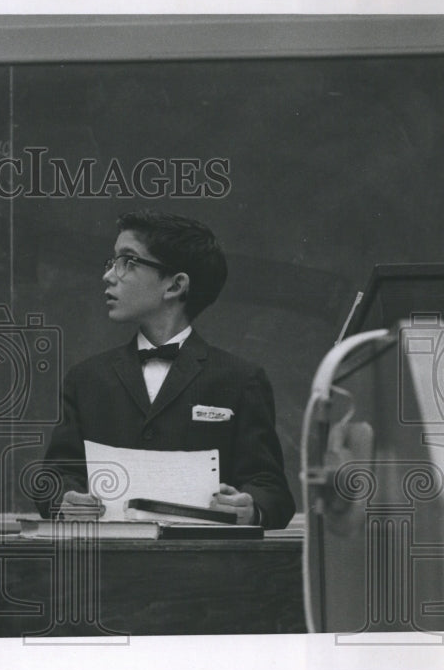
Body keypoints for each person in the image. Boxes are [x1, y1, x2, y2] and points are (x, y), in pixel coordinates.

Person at [37, 210, 295, 529]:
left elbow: (272, 490)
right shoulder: (86, 379)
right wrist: (66, 500)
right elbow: (55, 477)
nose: (109, 275)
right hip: (109, 556)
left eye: (127, 261)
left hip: (206, 558)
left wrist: (249, 508)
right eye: (112, 262)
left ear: (175, 285)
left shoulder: (240, 379)